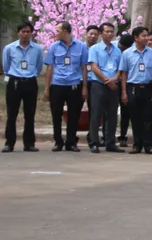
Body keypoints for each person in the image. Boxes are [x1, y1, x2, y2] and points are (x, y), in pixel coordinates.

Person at [43, 22, 89, 152]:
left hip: (74, 84)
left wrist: (84, 87)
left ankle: (71, 142)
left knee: (74, 115)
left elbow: (84, 68)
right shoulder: (53, 47)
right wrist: (47, 88)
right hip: (57, 85)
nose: (55, 33)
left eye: (58, 30)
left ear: (66, 31)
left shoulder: (81, 47)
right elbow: (50, 68)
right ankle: (58, 141)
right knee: (56, 114)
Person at [2, 22, 44, 153]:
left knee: (30, 114)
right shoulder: (9, 48)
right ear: (18, 32)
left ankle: (29, 143)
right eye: (23, 31)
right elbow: (6, 66)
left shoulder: (37, 49)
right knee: (12, 114)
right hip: (14, 82)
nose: (25, 34)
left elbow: (39, 66)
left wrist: (30, 75)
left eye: (28, 32)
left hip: (30, 82)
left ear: (31, 33)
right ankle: (9, 143)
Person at [118, 26, 152, 154]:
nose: (146, 38)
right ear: (136, 38)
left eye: (147, 35)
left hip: (147, 88)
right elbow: (123, 73)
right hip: (132, 88)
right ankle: (137, 144)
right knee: (135, 118)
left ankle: (149, 145)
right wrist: (124, 92)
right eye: (143, 36)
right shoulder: (127, 54)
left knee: (147, 118)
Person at [87, 22, 124, 153]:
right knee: (96, 114)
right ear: (101, 33)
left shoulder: (117, 50)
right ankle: (94, 142)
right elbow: (93, 67)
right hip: (99, 85)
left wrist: (114, 78)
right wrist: (105, 80)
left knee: (112, 115)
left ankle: (110, 142)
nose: (109, 34)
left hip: (114, 85)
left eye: (111, 31)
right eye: (107, 31)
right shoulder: (94, 49)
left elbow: (120, 68)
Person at [116, 32, 134, 147]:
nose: (122, 48)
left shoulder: (131, 52)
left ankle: (123, 136)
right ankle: (106, 136)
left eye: (124, 47)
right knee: (109, 112)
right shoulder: (113, 47)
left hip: (126, 84)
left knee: (125, 112)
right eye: (121, 46)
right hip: (112, 83)